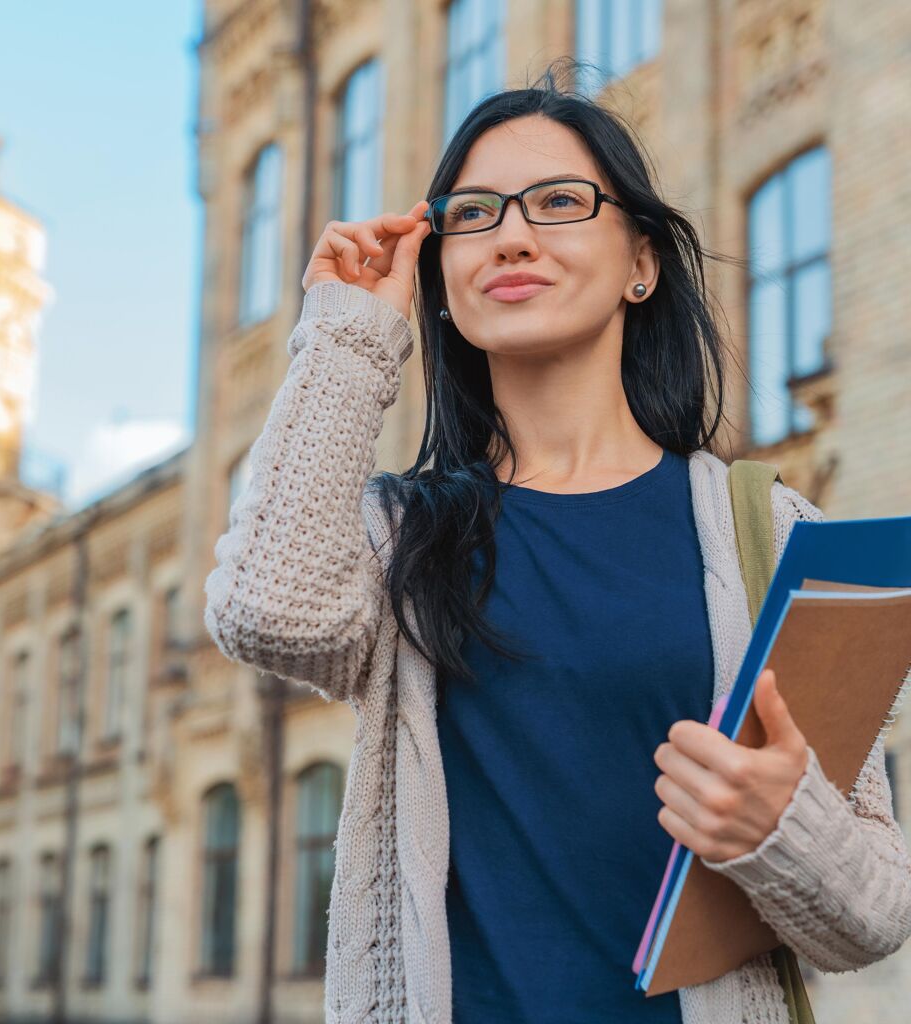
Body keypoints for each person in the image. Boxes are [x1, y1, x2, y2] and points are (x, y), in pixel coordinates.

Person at [204, 62, 911, 1024]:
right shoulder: (400, 534)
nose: (513, 235)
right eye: (474, 214)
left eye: (560, 202)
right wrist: (347, 333)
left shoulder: (773, 536)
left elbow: (872, 918)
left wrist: (782, 826)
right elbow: (265, 612)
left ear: (641, 263)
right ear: (442, 280)